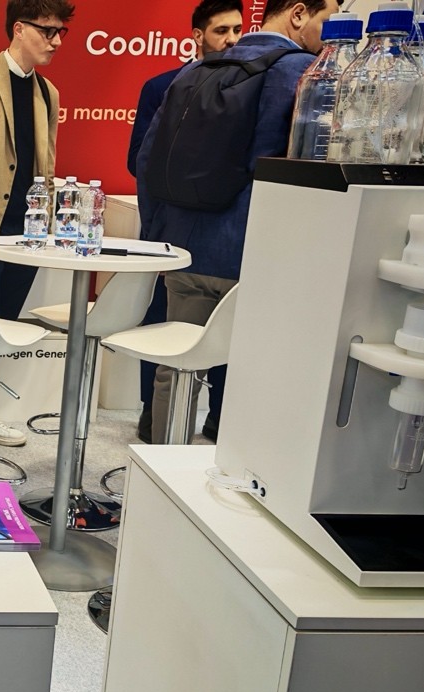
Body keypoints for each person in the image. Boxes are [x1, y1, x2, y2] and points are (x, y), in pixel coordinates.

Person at [136, 0, 338, 444]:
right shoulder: (304, 71)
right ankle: (230, 469)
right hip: (254, 255)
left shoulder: (194, 71)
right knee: (253, 371)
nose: (329, 34)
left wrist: (158, 240)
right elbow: (307, 168)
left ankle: (159, 457)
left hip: (183, 249)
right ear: (299, 14)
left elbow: (148, 162)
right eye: (328, 20)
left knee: (177, 364)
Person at [128, 0, 243, 443]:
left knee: (228, 332)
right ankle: (152, 417)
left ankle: (219, 419)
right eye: (220, 31)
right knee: (165, 330)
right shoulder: (164, 86)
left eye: (237, 30)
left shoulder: (251, 88)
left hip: (229, 239)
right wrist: (157, 231)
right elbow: (140, 160)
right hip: (173, 235)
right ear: (198, 35)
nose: (231, 40)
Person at [0, 0, 74, 467]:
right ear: (19, 29)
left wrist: (49, 226)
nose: (55, 42)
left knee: (2, 327)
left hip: (25, 232)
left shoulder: (48, 92)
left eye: (61, 33)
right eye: (47, 31)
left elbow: (46, 164)